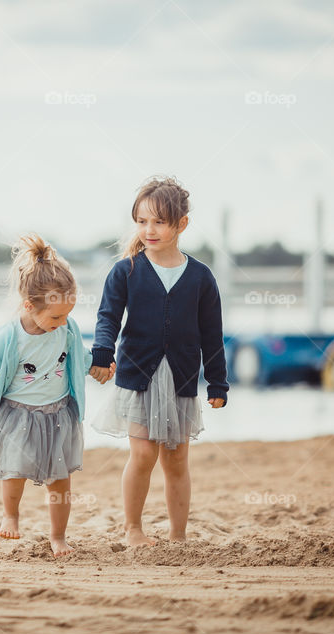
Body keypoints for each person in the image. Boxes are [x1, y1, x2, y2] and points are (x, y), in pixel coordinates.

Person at [0, 233, 114, 558]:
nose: (62, 322)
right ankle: (11, 514)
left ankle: (58, 536)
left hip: (58, 415)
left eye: (68, 315)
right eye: (55, 317)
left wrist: (98, 366)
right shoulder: (8, 337)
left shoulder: (66, 330)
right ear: (28, 305)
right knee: (14, 472)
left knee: (61, 482)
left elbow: (78, 358)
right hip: (17, 415)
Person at [89, 176, 228, 547]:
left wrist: (218, 382)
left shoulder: (201, 277)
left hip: (181, 378)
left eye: (159, 222)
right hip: (138, 376)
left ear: (181, 224)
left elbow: (212, 334)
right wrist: (102, 353)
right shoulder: (126, 271)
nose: (149, 230)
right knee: (144, 453)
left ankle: (178, 535)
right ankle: (133, 529)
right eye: (141, 221)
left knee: (176, 460)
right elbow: (107, 318)